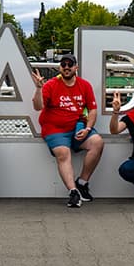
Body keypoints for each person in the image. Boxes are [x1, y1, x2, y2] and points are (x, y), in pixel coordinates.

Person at [31, 54, 104, 208]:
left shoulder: (85, 85)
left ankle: (82, 183)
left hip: (78, 127)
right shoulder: (51, 85)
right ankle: (73, 191)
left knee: (98, 142)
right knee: (63, 154)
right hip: (54, 129)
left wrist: (88, 129)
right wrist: (38, 89)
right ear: (60, 68)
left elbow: (92, 110)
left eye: (70, 64)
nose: (66, 67)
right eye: (63, 64)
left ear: (76, 67)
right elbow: (38, 106)